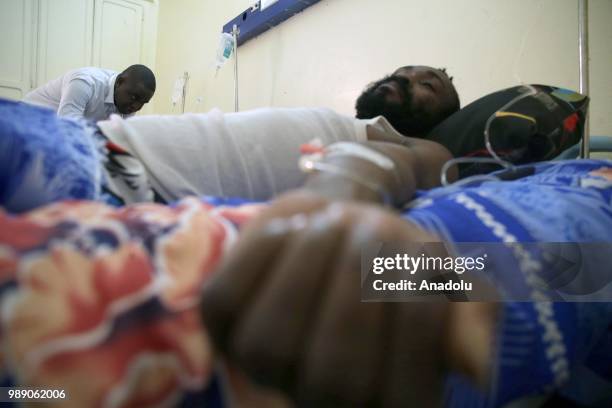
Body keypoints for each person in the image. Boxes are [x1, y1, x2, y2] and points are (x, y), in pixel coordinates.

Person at [0, 138, 610, 407]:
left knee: (563, 267)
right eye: (406, 77)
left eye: (429, 82)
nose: (414, 83)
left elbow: (425, 155)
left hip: (388, 267)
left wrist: (343, 196)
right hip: (390, 292)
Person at [0, 66, 460, 211]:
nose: (405, 77)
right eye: (402, 71)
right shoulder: (340, 123)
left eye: (428, 84)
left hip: (120, 176)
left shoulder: (402, 144)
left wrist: (335, 208)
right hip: (96, 148)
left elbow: (430, 166)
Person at [22, 65, 156, 121]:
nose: (136, 107)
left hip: (50, 130)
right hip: (24, 120)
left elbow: (122, 138)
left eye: (143, 103)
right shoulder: (84, 83)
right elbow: (69, 131)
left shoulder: (128, 102)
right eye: (134, 98)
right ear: (119, 82)